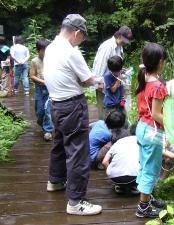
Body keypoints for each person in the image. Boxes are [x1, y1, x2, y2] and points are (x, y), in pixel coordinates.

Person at [43, 14, 102, 215]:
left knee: (59, 144)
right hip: (72, 106)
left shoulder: (50, 48)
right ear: (76, 33)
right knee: (78, 152)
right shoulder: (71, 52)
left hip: (56, 104)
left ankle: (55, 180)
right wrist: (97, 81)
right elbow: (87, 80)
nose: (81, 41)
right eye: (82, 37)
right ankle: (76, 202)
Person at [135, 43, 168, 218]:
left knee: (144, 166)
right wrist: (172, 125)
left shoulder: (143, 76)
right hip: (152, 131)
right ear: (160, 62)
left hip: (141, 127)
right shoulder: (158, 86)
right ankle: (143, 207)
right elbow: (156, 114)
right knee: (151, 170)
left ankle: (146, 197)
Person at [92, 26, 133, 120]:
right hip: (104, 86)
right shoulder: (107, 47)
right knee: (105, 114)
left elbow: (116, 65)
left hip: (115, 86)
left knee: (117, 114)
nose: (125, 43)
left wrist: (124, 71)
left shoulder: (119, 46)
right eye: (125, 40)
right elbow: (99, 68)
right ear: (119, 35)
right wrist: (99, 84)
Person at [102, 123, 139, 195]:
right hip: (133, 177)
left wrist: (110, 174)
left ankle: (120, 186)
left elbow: (104, 162)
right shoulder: (140, 141)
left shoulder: (117, 143)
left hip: (115, 178)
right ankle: (134, 186)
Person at [29, 39, 53, 141]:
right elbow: (32, 76)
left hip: (50, 88)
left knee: (48, 110)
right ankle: (42, 122)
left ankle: (48, 131)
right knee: (40, 112)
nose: (46, 53)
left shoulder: (52, 59)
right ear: (38, 50)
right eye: (43, 50)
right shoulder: (35, 61)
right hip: (40, 88)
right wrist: (43, 82)